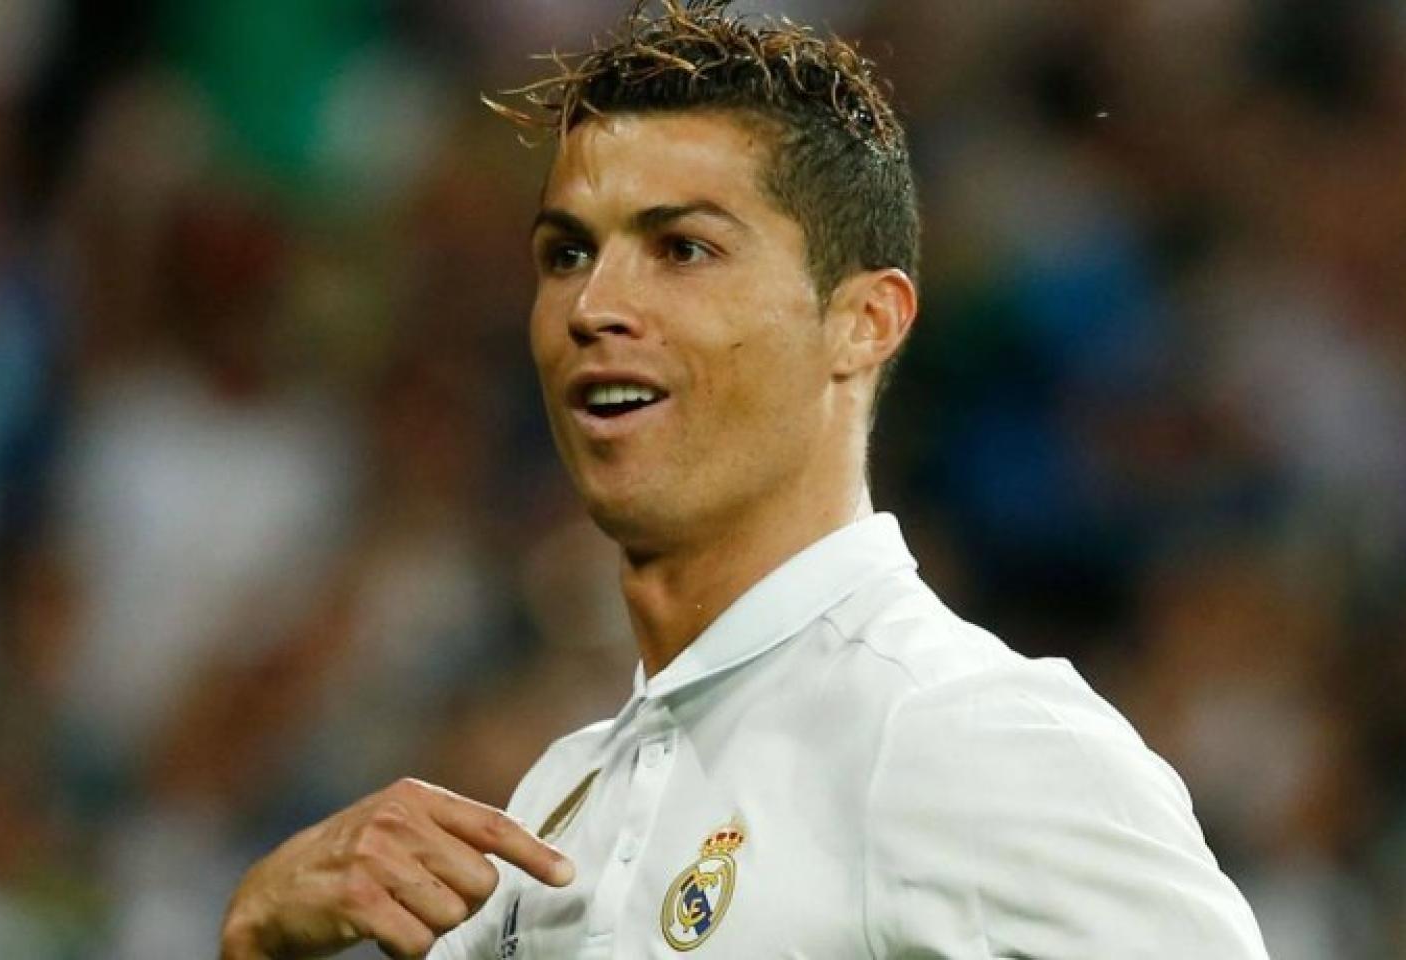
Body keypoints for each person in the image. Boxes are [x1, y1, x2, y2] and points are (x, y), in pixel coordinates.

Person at [219, 2, 1270, 957]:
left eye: (680, 249)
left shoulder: (967, 736)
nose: (594, 305)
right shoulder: (551, 810)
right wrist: (258, 935)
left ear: (863, 322)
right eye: (566, 254)